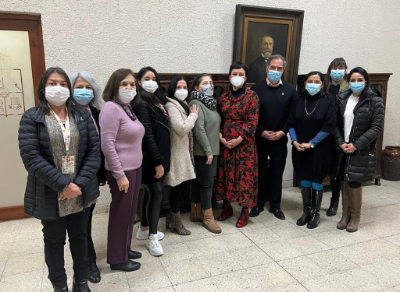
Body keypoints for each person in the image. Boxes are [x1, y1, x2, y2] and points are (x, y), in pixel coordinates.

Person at [18, 67, 100, 292]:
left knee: (80, 237)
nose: (59, 88)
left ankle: (81, 282)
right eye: (52, 83)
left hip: (80, 192)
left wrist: (77, 185)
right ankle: (60, 286)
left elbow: (94, 151)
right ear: (43, 88)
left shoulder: (82, 115)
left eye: (63, 84)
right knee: (54, 242)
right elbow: (31, 158)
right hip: (49, 192)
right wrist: (64, 185)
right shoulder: (32, 117)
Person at [100, 68, 144, 271]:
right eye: (124, 84)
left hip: (134, 168)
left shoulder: (126, 108)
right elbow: (107, 144)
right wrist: (119, 175)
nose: (129, 87)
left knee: (129, 213)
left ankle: (124, 248)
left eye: (132, 84)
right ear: (114, 86)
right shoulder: (110, 108)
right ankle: (117, 259)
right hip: (122, 171)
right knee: (120, 214)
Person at [333, 67, 384, 232]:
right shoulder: (341, 98)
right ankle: (345, 215)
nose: (356, 83)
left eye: (359, 80)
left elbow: (376, 127)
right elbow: (334, 124)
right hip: (343, 147)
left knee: (354, 181)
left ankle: (355, 217)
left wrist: (356, 144)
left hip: (360, 148)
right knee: (344, 180)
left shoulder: (374, 101)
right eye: (352, 80)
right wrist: (341, 143)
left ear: (366, 81)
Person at [250, 54, 297, 220]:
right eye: (273, 68)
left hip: (280, 140)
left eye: (279, 69)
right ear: (267, 68)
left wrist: (282, 132)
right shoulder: (256, 89)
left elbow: (292, 116)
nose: (275, 71)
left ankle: (276, 206)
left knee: (278, 174)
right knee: (260, 172)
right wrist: (261, 131)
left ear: (283, 70)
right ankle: (259, 203)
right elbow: (252, 116)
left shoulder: (291, 90)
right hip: (260, 139)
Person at [288, 71, 336, 229]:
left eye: (317, 81)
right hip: (300, 147)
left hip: (319, 148)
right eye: (310, 81)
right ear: (305, 83)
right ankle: (306, 211)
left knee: (316, 179)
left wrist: (312, 143)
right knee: (304, 178)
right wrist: (294, 141)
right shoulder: (298, 99)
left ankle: (316, 213)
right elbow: (291, 123)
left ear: (322, 84)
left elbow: (329, 125)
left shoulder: (328, 100)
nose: (313, 84)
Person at [70, 71, 105, 284]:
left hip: (92, 176)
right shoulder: (67, 113)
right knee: (79, 225)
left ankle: (87, 261)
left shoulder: (97, 112)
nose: (84, 91)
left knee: (88, 220)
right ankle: (87, 263)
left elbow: (100, 148)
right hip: (72, 178)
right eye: (79, 86)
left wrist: (101, 175)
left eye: (88, 87)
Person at [216, 62, 259, 228]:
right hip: (226, 143)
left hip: (244, 145)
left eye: (241, 74)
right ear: (229, 76)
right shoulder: (224, 97)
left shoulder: (252, 97)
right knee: (226, 174)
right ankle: (227, 207)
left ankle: (245, 210)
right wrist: (220, 136)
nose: (237, 77)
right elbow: (218, 118)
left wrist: (239, 139)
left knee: (244, 177)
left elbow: (252, 122)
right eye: (234, 74)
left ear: (246, 78)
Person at [134, 66, 170, 256]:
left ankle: (143, 228)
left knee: (150, 191)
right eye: (146, 78)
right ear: (139, 82)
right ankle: (152, 237)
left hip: (156, 157)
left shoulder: (154, 100)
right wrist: (157, 161)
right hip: (149, 158)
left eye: (154, 78)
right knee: (156, 192)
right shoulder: (140, 102)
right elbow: (147, 134)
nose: (151, 81)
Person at [164, 76, 198, 235]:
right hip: (177, 154)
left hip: (184, 153)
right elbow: (181, 128)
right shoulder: (171, 105)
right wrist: (193, 116)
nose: (182, 90)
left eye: (185, 87)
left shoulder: (182, 104)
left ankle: (171, 218)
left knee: (181, 187)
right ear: (172, 89)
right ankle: (176, 222)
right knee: (176, 188)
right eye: (179, 87)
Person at [189, 74, 222, 233]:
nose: (209, 85)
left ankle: (196, 212)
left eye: (211, 83)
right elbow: (199, 130)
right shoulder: (196, 103)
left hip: (212, 150)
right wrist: (209, 152)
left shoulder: (211, 104)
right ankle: (208, 218)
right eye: (205, 83)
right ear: (196, 88)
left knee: (200, 183)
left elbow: (212, 127)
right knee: (207, 185)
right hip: (204, 152)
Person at [325, 58, 349, 216]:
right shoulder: (324, 87)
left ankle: (334, 201)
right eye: (335, 67)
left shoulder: (349, 88)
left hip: (341, 134)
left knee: (337, 170)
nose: (337, 70)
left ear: (346, 70)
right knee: (323, 167)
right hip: (324, 132)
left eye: (340, 67)